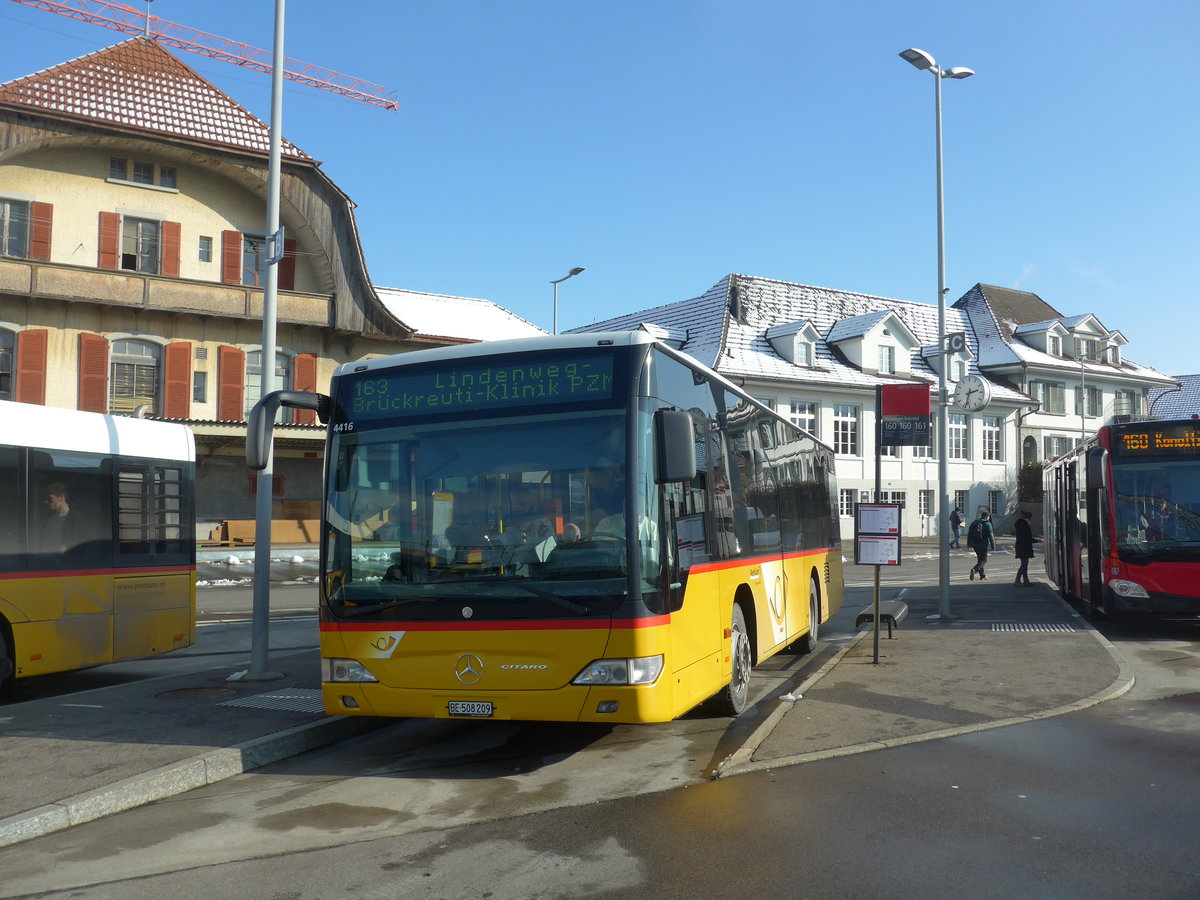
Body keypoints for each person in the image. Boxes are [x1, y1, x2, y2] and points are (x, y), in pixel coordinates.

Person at [967, 510, 996, 581]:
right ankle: (975, 569)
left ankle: (982, 576)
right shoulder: (987, 524)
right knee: (983, 560)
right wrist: (993, 546)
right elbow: (991, 536)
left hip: (975, 544)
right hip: (983, 545)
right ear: (987, 516)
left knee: (980, 559)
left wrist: (969, 544)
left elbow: (969, 534)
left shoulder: (974, 522)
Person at [1013, 509, 1038, 586]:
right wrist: (1037, 541)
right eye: (1030, 518)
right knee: (1024, 564)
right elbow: (1027, 538)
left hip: (1021, 547)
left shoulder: (1020, 525)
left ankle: (1025, 580)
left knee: (1024, 564)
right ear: (1027, 518)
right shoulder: (1025, 526)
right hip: (1024, 547)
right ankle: (1018, 579)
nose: (1031, 520)